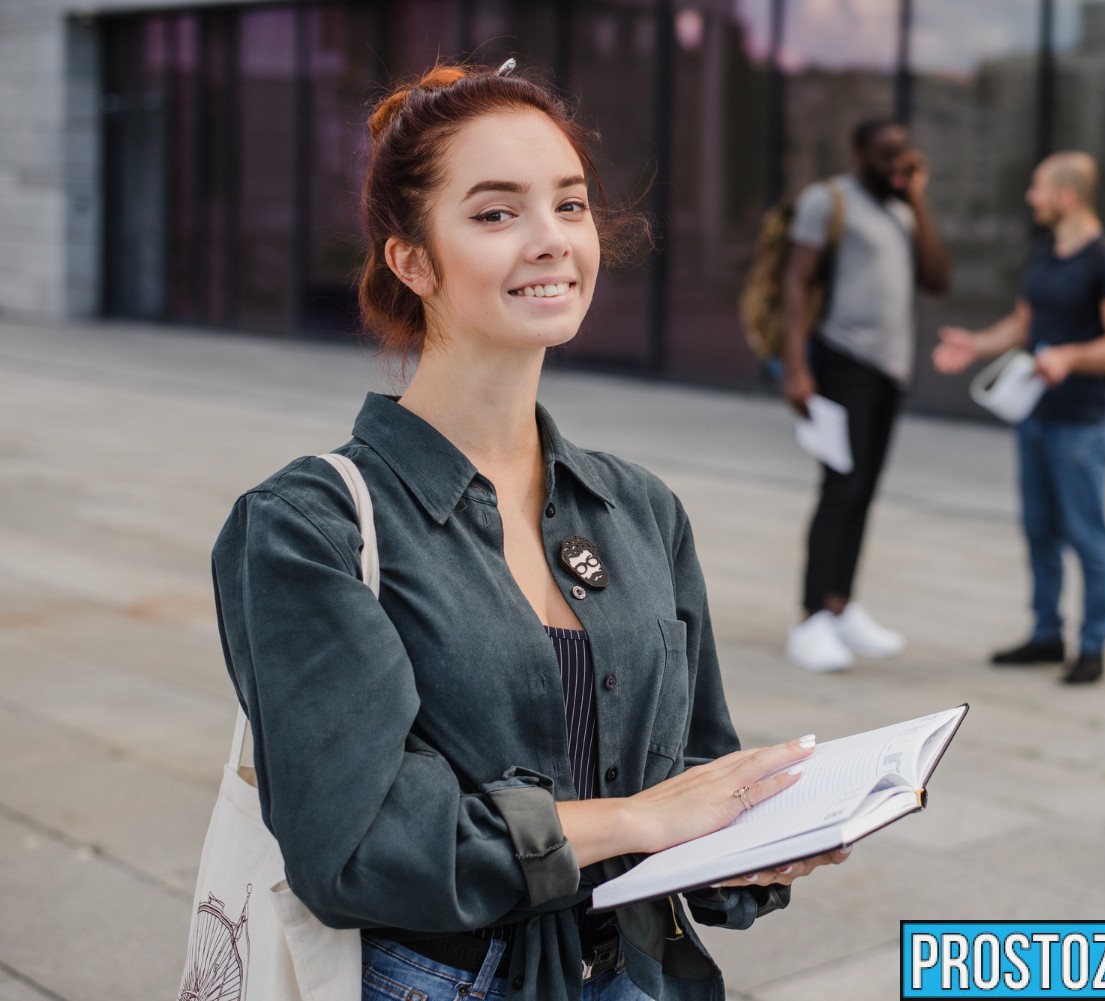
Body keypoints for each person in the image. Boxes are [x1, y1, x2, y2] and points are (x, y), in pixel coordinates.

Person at [211, 63, 847, 1001]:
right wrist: (637, 819)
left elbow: (695, 767)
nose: (552, 241)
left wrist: (749, 836)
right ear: (412, 260)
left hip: (639, 973)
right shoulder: (309, 526)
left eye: (572, 204)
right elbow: (355, 848)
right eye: (497, 213)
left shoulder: (639, 508)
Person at [931, 151, 1105, 685]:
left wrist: (1071, 356)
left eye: (1037, 188)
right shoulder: (1045, 252)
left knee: (1086, 535)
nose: (1031, 198)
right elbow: (1025, 324)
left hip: (1081, 422)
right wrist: (975, 344)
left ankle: (1092, 645)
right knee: (1038, 531)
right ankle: (1046, 634)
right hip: (1034, 415)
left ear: (1066, 195)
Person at [780, 118, 951, 673]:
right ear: (858, 153)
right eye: (884, 157)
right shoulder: (827, 201)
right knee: (840, 488)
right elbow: (795, 282)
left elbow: (936, 277)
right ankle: (811, 619)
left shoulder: (902, 209)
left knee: (865, 490)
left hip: (889, 370)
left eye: (903, 156)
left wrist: (918, 199)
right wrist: (797, 367)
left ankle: (841, 604)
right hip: (841, 360)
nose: (895, 166)